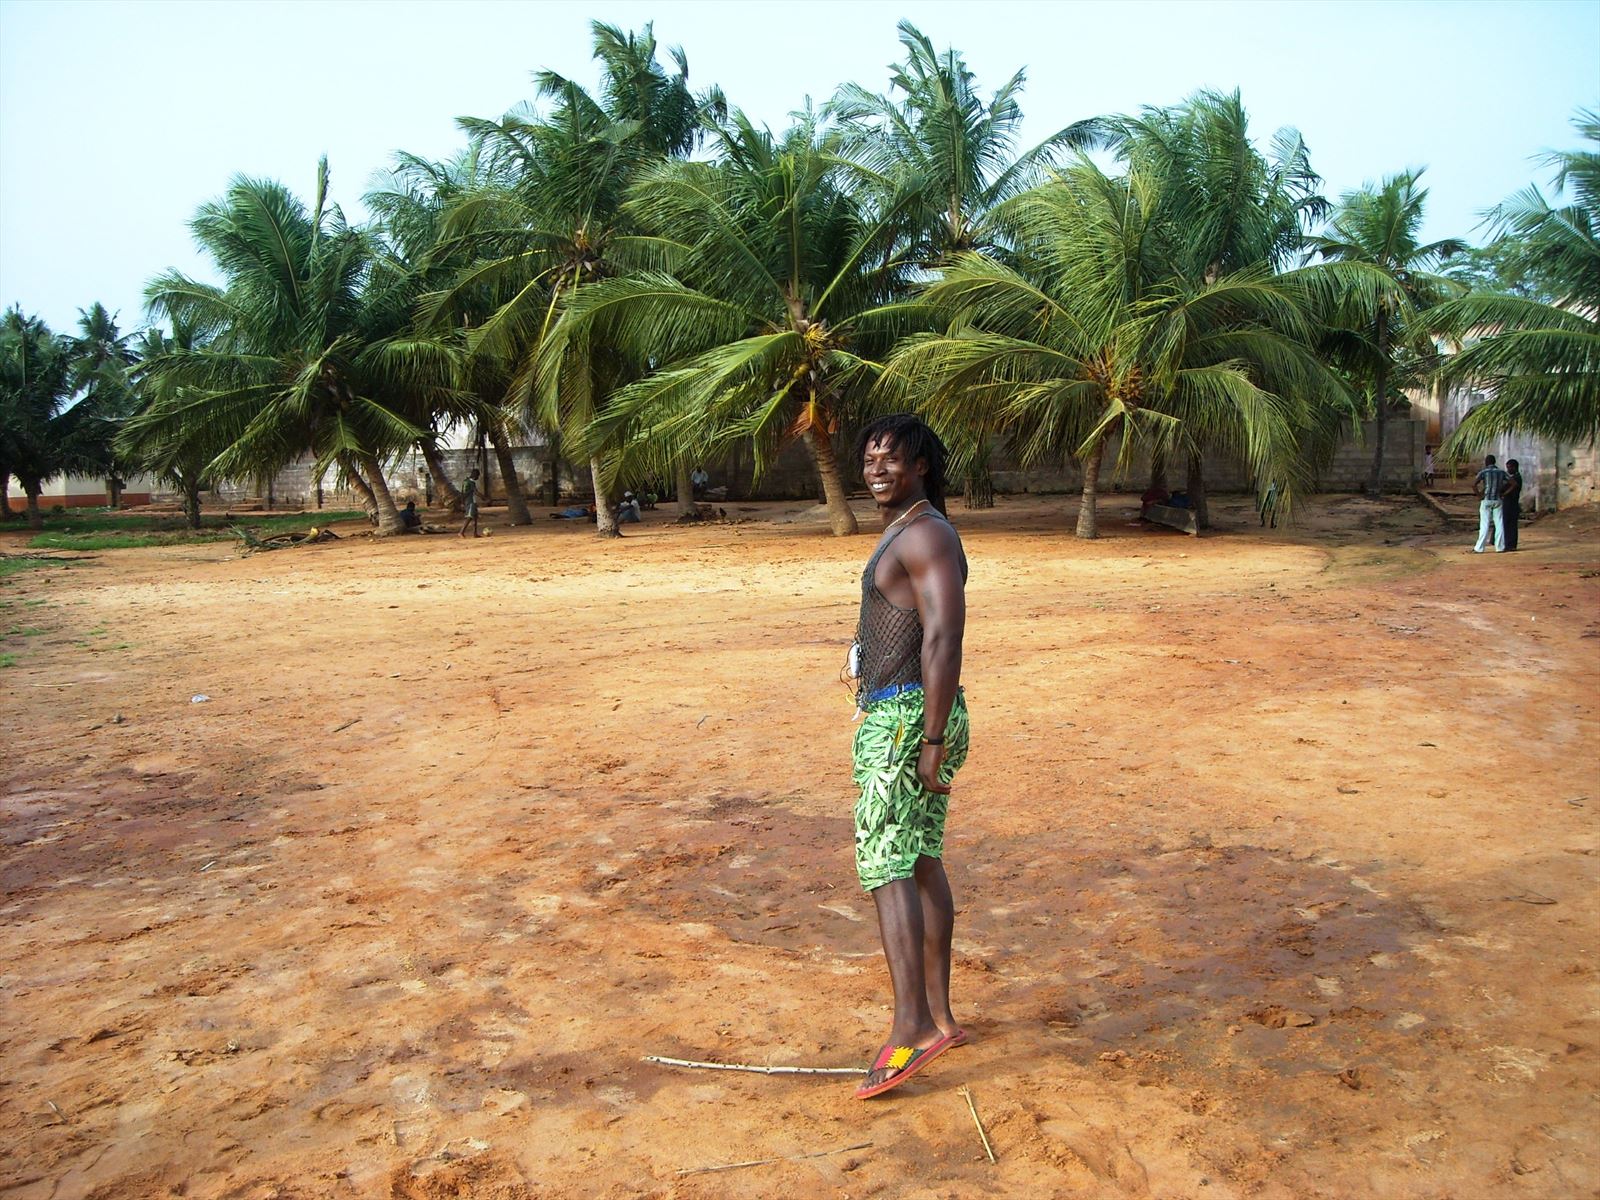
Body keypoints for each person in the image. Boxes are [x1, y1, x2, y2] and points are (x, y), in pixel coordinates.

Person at [846, 413, 970, 1101]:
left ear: (921, 465)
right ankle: (942, 1017)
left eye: (891, 458)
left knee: (885, 864)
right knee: (919, 857)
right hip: (905, 714)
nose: (876, 469)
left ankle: (912, 1027)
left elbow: (944, 636)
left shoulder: (924, 533)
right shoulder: (913, 529)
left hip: (904, 720)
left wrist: (929, 739)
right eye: (869, 459)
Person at [1473, 454, 1508, 553]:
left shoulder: (1484, 472)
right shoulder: (1501, 472)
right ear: (1494, 462)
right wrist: (1504, 493)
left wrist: (1479, 495)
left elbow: (1474, 484)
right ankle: (1500, 547)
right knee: (1499, 523)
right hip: (1497, 500)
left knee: (1484, 524)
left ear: (1486, 462)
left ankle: (1479, 548)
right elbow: (1513, 483)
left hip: (1487, 499)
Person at [1502, 459, 1523, 551]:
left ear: (1514, 467)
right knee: (1510, 524)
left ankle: (1509, 544)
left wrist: (1504, 493)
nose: (1508, 470)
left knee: (1509, 524)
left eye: (1509, 467)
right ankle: (1510, 544)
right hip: (1511, 503)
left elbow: (1506, 487)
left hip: (1511, 503)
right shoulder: (1515, 477)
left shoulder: (1516, 478)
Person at [459, 469, 480, 538]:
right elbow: (475, 492)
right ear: (475, 475)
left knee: (475, 517)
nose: (478, 477)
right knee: (469, 517)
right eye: (478, 476)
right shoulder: (469, 482)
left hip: (472, 501)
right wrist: (485, 498)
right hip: (470, 501)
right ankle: (461, 532)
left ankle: (475, 533)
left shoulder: (469, 482)